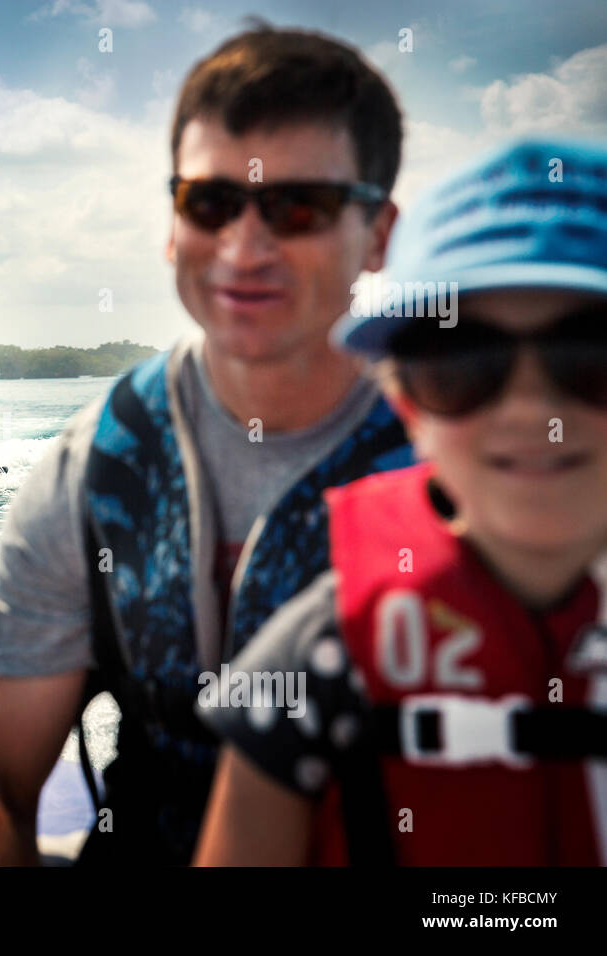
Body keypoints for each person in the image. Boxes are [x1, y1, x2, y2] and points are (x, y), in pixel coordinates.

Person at [0, 25, 413, 866]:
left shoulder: (470, 461)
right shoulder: (102, 467)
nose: (245, 248)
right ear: (173, 223)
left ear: (379, 231)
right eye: (211, 204)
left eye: (298, 206)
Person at [194, 136, 607, 866]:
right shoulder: (316, 661)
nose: (528, 407)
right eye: (459, 362)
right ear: (406, 404)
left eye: (593, 353)